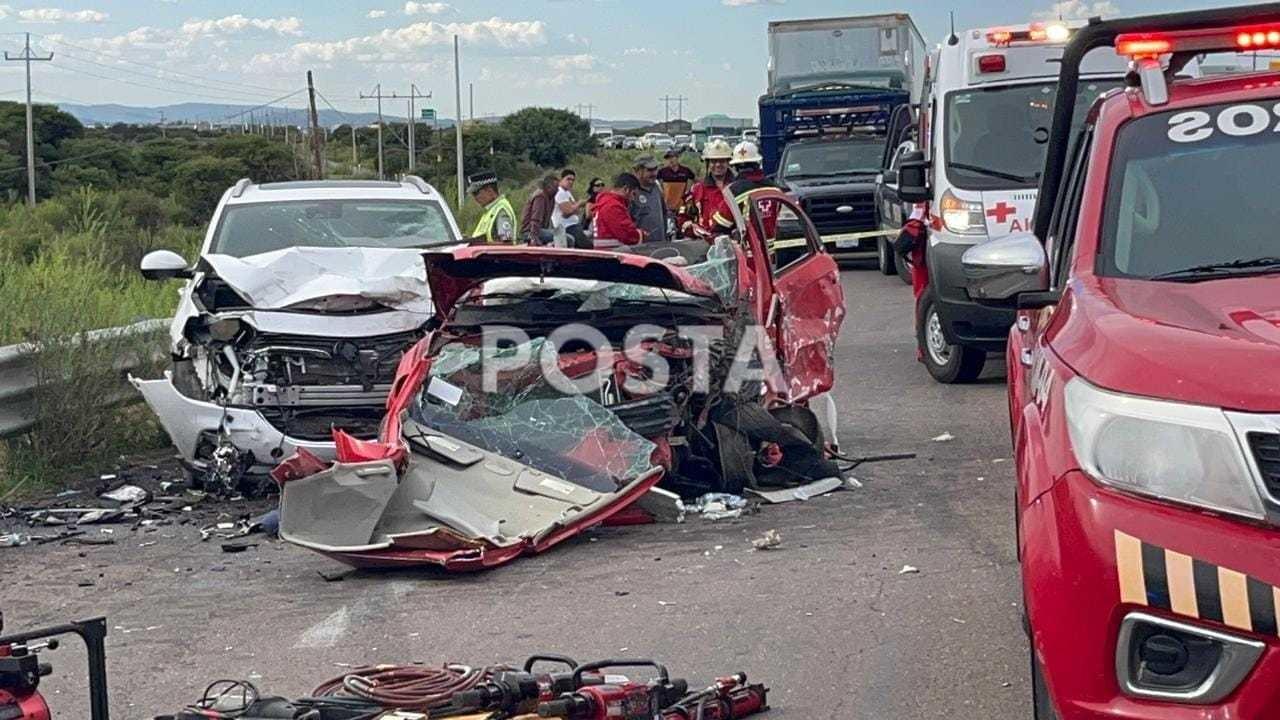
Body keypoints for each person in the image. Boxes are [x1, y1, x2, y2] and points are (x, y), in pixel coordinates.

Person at [712, 141, 779, 238]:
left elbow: (719, 227)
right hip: (776, 251)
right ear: (757, 163)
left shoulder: (733, 191)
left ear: (735, 167)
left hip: (750, 251)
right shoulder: (775, 188)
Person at [680, 139, 734, 239]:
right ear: (708, 163)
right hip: (703, 244)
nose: (718, 165)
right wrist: (692, 230)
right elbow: (683, 218)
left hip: (734, 244)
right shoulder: (697, 189)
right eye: (714, 161)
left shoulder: (737, 187)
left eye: (722, 161)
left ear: (728, 162)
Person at [592, 172, 646, 248]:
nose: (633, 199)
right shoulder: (613, 206)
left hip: (604, 251)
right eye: (633, 194)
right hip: (612, 253)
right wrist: (640, 234)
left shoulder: (604, 202)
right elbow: (626, 234)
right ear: (626, 189)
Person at [467, 171, 516, 244]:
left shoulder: (501, 210)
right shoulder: (490, 210)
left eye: (476, 193)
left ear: (490, 191)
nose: (475, 198)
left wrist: (480, 245)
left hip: (496, 255)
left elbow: (506, 244)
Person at [629, 154, 668, 242]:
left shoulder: (657, 187)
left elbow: (664, 213)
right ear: (637, 171)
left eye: (655, 169)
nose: (654, 173)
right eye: (650, 170)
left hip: (660, 245)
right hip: (640, 249)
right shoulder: (631, 192)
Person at [550, 168, 591, 249]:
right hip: (567, 227)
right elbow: (567, 212)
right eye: (568, 179)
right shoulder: (559, 192)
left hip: (573, 225)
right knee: (588, 247)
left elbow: (576, 211)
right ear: (561, 179)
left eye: (573, 180)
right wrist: (579, 203)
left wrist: (574, 207)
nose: (571, 182)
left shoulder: (567, 193)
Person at [520, 173, 559, 245]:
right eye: (556, 187)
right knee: (565, 238)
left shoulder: (551, 199)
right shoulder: (540, 197)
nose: (557, 190)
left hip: (540, 230)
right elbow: (535, 219)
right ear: (548, 187)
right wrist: (533, 237)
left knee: (562, 235)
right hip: (530, 232)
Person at [657, 149, 695, 216]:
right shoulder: (662, 171)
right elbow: (657, 183)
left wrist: (688, 190)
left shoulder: (685, 170)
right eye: (668, 158)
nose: (670, 160)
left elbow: (693, 179)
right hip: (667, 206)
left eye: (672, 157)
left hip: (681, 205)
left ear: (677, 158)